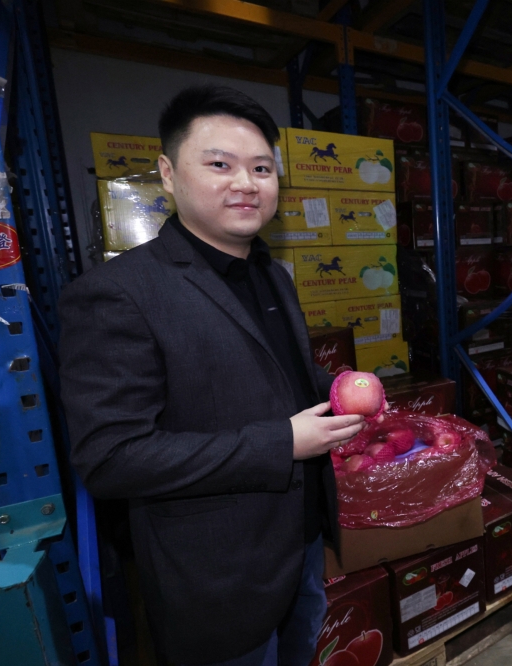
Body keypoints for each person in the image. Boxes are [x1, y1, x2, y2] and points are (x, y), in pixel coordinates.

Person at [59, 86, 367, 666]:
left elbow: (274, 371)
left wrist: (333, 386)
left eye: (261, 169)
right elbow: (109, 456)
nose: (246, 183)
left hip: (300, 546)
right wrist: (281, 442)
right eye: (220, 165)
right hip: (217, 576)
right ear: (169, 174)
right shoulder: (117, 294)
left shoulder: (274, 276)